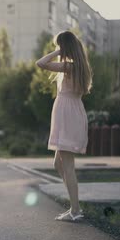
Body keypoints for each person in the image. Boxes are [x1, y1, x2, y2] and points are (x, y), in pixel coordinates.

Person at [36, 31, 92, 222]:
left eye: (60, 46)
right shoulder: (77, 66)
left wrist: (57, 52)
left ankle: (75, 211)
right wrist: (61, 51)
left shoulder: (70, 66)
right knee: (58, 163)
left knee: (67, 165)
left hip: (68, 115)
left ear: (65, 47)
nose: (58, 50)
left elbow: (41, 63)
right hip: (69, 113)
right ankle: (74, 207)